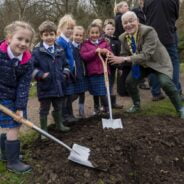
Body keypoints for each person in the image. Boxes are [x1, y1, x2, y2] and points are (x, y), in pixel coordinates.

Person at [108, 11, 184, 119]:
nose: (128, 24)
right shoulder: (123, 37)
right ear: (122, 25)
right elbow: (124, 54)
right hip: (141, 65)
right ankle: (136, 105)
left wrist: (124, 58)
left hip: (158, 63)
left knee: (165, 83)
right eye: (125, 23)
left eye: (131, 21)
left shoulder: (148, 31)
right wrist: (112, 55)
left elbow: (146, 55)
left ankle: (180, 109)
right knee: (130, 82)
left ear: (137, 21)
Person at [0, 21, 34, 173]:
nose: (23, 43)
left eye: (27, 41)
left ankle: (6, 153)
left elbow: (24, 85)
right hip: (1, 94)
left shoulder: (27, 61)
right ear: (9, 38)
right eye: (19, 39)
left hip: (15, 95)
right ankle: (13, 162)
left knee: (17, 122)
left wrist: (20, 107)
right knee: (12, 125)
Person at [32, 20, 71, 136]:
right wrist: (40, 75)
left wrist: (65, 74)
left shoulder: (60, 49)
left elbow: (66, 65)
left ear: (56, 35)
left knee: (58, 106)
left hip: (59, 85)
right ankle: (44, 131)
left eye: (51, 34)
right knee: (44, 109)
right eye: (46, 35)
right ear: (41, 36)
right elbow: (31, 68)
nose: (49, 37)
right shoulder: (37, 52)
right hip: (45, 86)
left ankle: (59, 124)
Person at [144, 0, 183, 100]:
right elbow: (176, 15)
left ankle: (156, 92)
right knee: (173, 63)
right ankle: (175, 91)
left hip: (152, 36)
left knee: (153, 63)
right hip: (168, 35)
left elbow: (146, 14)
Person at [80, 23, 111, 115]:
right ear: (88, 33)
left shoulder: (104, 43)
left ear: (100, 33)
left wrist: (106, 52)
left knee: (102, 91)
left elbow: (110, 54)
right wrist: (94, 51)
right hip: (92, 72)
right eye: (92, 33)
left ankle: (107, 108)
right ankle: (96, 108)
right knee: (95, 91)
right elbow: (84, 56)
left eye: (96, 32)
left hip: (103, 71)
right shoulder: (85, 44)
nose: (94, 35)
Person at [56, 14, 78, 124]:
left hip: (70, 71)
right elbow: (60, 58)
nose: (70, 31)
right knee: (65, 95)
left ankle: (69, 114)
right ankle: (63, 116)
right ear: (61, 28)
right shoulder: (60, 42)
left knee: (69, 95)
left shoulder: (68, 41)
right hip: (64, 72)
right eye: (67, 28)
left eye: (71, 28)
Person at [103, 19, 122, 109]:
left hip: (114, 67)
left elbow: (119, 55)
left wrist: (120, 67)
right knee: (106, 85)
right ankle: (105, 104)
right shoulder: (102, 40)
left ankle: (113, 103)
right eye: (108, 29)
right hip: (105, 66)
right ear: (104, 29)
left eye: (111, 29)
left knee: (112, 84)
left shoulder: (116, 41)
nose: (110, 30)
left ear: (114, 29)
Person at [114, 1, 130, 97]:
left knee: (123, 67)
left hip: (121, 44)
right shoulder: (120, 18)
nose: (128, 7)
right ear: (120, 9)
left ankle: (123, 89)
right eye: (125, 6)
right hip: (122, 45)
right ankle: (123, 90)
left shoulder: (118, 17)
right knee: (124, 67)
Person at [72, 26, 88, 118]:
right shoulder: (70, 47)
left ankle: (81, 111)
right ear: (73, 35)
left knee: (82, 93)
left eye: (80, 35)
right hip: (74, 74)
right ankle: (65, 109)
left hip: (83, 73)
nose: (78, 37)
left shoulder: (83, 47)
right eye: (76, 35)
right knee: (74, 95)